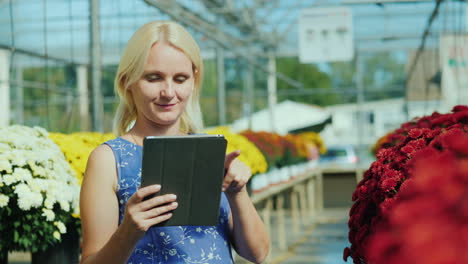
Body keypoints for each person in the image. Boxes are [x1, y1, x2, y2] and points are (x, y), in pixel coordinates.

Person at [79, 21, 270, 264]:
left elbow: (258, 253)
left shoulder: (207, 152)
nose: (168, 92)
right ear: (128, 80)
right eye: (154, 78)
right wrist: (129, 230)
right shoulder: (108, 160)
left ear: (194, 80)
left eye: (180, 79)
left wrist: (237, 193)